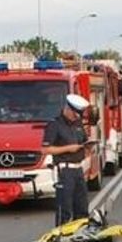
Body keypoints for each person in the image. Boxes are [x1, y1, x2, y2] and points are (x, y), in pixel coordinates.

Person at [42, 93, 94, 226]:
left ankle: (80, 235)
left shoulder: (77, 124)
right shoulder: (54, 125)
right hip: (64, 170)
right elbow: (46, 149)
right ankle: (61, 238)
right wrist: (68, 148)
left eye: (78, 115)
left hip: (78, 170)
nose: (76, 117)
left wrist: (88, 147)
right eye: (75, 114)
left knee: (82, 207)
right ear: (68, 109)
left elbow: (83, 141)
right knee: (64, 208)